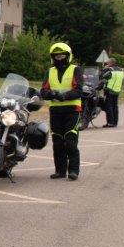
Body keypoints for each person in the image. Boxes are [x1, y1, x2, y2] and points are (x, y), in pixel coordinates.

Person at [41, 42, 83, 180]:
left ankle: (74, 171)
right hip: (56, 110)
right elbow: (43, 91)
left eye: (62, 55)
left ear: (68, 55)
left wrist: (64, 96)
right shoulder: (50, 71)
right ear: (53, 57)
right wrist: (51, 94)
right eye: (56, 56)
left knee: (70, 141)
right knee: (58, 141)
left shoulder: (76, 70)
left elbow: (78, 90)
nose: (59, 58)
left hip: (72, 109)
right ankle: (60, 170)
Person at [102, 58, 123, 127]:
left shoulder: (110, 70)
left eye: (108, 63)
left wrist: (105, 69)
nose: (107, 64)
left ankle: (110, 122)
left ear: (111, 63)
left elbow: (102, 76)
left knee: (109, 107)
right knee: (115, 106)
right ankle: (115, 122)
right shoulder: (121, 70)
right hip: (117, 90)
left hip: (110, 90)